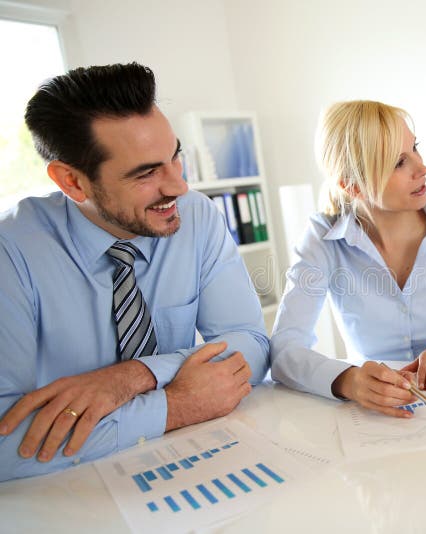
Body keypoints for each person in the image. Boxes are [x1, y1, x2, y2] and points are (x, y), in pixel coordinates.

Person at [0, 63, 270, 482]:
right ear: (72, 182)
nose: (178, 185)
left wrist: (132, 377)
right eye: (146, 172)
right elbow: (5, 443)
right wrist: (175, 406)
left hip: (197, 467)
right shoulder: (11, 252)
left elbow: (250, 342)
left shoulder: (196, 216)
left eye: (175, 156)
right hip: (72, 491)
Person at [271, 100, 426, 418]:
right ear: (352, 186)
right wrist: (348, 381)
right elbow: (285, 349)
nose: (422, 168)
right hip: (375, 417)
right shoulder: (323, 238)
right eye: (399, 162)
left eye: (415, 148)